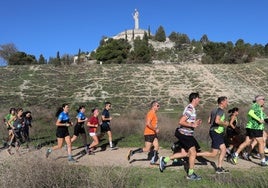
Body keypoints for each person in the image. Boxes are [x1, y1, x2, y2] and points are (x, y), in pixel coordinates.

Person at [159, 92, 202, 180]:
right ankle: (190, 174)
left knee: (184, 153)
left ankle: (164, 160)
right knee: (193, 153)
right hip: (185, 134)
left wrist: (194, 123)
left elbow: (188, 121)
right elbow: (181, 121)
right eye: (198, 98)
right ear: (194, 99)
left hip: (186, 133)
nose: (199, 100)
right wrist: (192, 125)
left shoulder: (192, 108)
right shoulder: (190, 109)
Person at [230, 95, 267, 166]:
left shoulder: (259, 108)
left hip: (251, 127)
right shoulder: (255, 105)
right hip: (255, 128)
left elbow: (265, 117)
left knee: (247, 142)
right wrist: (258, 119)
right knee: (261, 143)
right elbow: (250, 113)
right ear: (259, 100)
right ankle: (263, 161)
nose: (264, 101)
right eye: (263, 99)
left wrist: (263, 119)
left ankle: (235, 154)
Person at [196, 96, 230, 174]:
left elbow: (209, 121)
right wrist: (225, 123)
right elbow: (217, 121)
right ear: (222, 102)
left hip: (215, 132)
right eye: (226, 101)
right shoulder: (221, 111)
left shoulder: (214, 110)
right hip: (216, 132)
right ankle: (194, 154)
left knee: (223, 150)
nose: (227, 103)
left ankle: (219, 168)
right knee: (214, 153)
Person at [127, 101, 160, 165]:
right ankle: (132, 152)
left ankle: (152, 161)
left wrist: (155, 129)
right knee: (147, 149)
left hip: (153, 133)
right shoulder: (151, 113)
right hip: (149, 133)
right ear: (153, 106)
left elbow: (153, 124)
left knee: (156, 146)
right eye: (158, 106)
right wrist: (155, 129)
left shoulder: (154, 114)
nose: (159, 107)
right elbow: (148, 123)